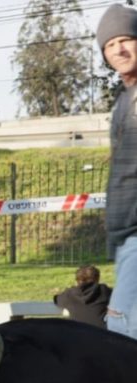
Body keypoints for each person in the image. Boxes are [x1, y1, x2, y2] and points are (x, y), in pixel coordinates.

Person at [98, 4, 137, 339]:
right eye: (110, 44)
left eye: (126, 39)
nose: (118, 50)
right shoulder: (125, 98)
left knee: (122, 324)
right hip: (127, 232)